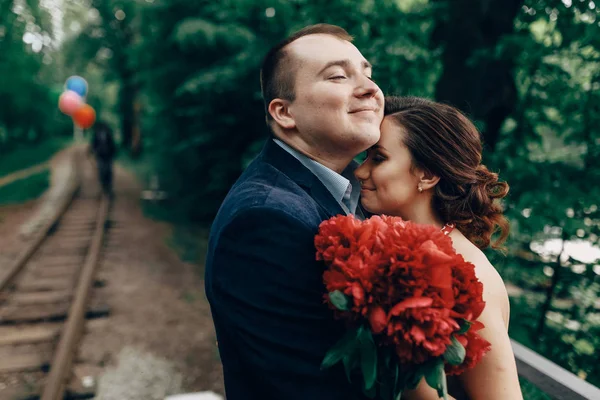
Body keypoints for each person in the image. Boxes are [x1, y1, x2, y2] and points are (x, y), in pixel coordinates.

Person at [205, 24, 384, 400]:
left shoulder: (362, 189)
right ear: (284, 112)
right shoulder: (264, 220)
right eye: (338, 76)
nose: (371, 88)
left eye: (367, 73)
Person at [354, 96, 523, 399]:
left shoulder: (473, 279)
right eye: (365, 156)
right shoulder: (376, 243)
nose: (360, 171)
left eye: (378, 158)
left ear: (428, 175)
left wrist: (414, 382)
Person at [89, 121, 117, 195]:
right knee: (102, 171)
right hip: (100, 156)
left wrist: (114, 153)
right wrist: (91, 151)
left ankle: (109, 188)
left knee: (108, 171)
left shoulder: (109, 134)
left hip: (108, 156)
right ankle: (104, 188)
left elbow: (112, 144)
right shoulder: (96, 134)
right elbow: (93, 143)